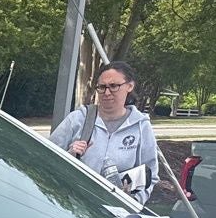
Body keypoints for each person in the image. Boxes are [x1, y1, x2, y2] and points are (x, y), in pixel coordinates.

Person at [49, 61, 158, 203]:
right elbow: (46, 159)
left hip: (117, 213)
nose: (107, 93)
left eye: (113, 86)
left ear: (129, 86)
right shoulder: (78, 119)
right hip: (74, 207)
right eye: (102, 87)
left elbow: (151, 176)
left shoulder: (141, 126)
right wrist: (69, 155)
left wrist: (133, 202)